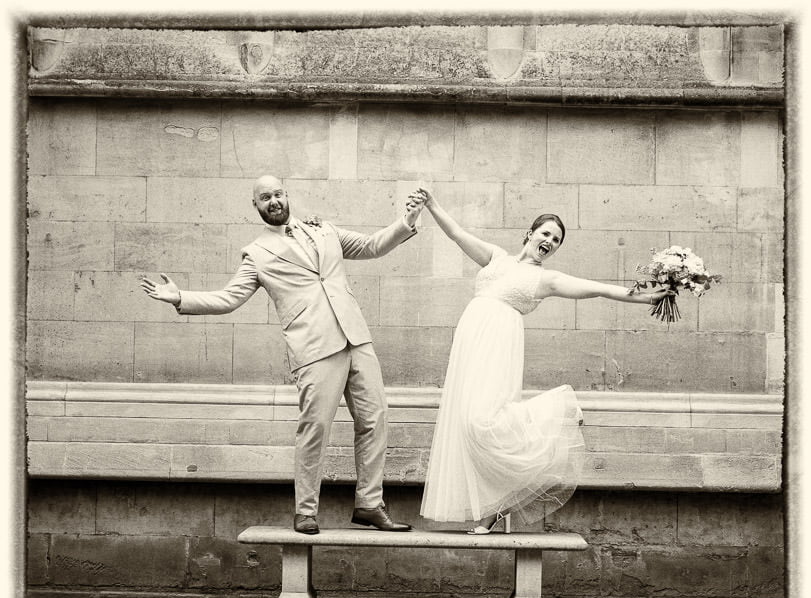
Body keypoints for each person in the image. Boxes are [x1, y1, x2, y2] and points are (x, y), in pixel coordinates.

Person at [140, 175, 420, 535]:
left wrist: (406, 220)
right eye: (264, 197)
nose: (273, 201)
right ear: (255, 206)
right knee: (315, 428)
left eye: (277, 194)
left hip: (357, 338)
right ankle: (305, 511)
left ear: (287, 196)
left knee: (375, 419)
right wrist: (181, 297)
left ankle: (369, 504)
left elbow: (370, 246)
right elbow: (229, 299)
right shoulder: (256, 253)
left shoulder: (324, 230)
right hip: (314, 348)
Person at [408, 188, 671, 534]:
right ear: (529, 234)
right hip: (471, 344)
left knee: (482, 423)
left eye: (556, 240)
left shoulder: (545, 279)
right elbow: (457, 233)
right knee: (466, 424)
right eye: (545, 233)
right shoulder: (495, 258)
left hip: (499, 346)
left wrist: (648, 297)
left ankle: (556, 410)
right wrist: (432, 204)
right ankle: (493, 510)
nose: (549, 241)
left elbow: (599, 289)